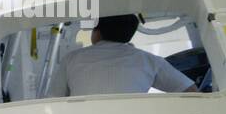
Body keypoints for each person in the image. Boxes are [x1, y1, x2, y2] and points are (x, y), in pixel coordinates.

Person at [44, 13, 197, 97]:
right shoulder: (148, 59)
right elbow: (190, 91)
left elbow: (54, 100)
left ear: (97, 32)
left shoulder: (72, 59)